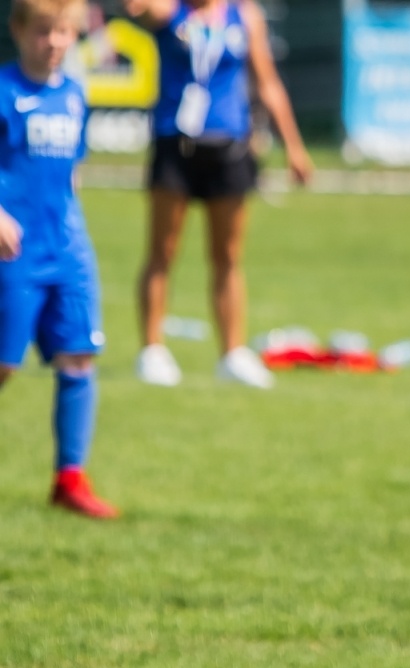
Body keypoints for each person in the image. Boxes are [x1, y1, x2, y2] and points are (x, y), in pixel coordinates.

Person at [123, 0, 312, 389]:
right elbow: (133, 9)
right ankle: (152, 350)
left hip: (229, 147)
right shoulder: (168, 11)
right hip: (176, 145)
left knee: (227, 255)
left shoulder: (243, 15)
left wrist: (293, 145)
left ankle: (232, 353)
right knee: (163, 250)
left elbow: (267, 81)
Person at [0, 0, 117, 518]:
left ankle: (70, 479)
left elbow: (71, 171)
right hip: (13, 251)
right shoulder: (3, 90)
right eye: (43, 32)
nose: (53, 43)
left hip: (67, 247)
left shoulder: (73, 94)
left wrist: (72, 228)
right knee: (4, 365)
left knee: (78, 356)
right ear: (18, 31)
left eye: (64, 33)